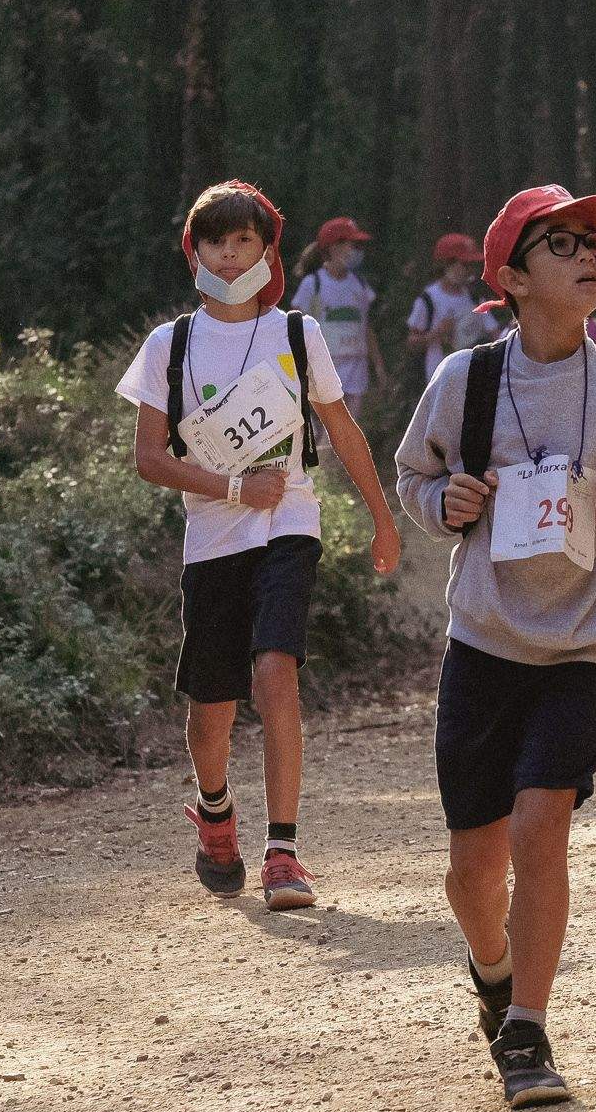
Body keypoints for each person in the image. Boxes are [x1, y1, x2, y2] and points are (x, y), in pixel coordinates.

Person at [396, 184, 596, 1109]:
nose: (587, 256)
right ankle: (491, 969)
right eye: (561, 244)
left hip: (585, 645)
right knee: (474, 866)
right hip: (484, 643)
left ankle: (527, 1026)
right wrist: (442, 503)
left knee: (541, 823)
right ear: (514, 278)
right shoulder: (466, 381)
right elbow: (416, 472)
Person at [120, 182, 401, 912]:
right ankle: (216, 811)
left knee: (277, 670)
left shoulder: (297, 334)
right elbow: (149, 457)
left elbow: (340, 428)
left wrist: (382, 515)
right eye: (216, 240)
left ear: (266, 251)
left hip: (290, 528)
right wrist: (233, 486)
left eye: (243, 239)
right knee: (210, 711)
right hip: (212, 540)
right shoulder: (169, 345)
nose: (229, 251)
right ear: (196, 252)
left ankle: (283, 850)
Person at [290, 216, 384, 422]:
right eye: (352, 244)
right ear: (333, 247)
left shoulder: (359, 285)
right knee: (325, 431)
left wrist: (378, 366)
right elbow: (294, 330)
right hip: (323, 367)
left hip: (356, 367)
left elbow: (366, 327)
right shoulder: (313, 284)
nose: (356, 250)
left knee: (351, 428)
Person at [407, 232, 503, 382]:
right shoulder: (428, 300)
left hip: (472, 377)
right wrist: (436, 333)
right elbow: (412, 342)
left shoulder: (474, 299)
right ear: (447, 264)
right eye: (465, 265)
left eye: (471, 265)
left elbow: (495, 334)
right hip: (439, 379)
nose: (469, 271)